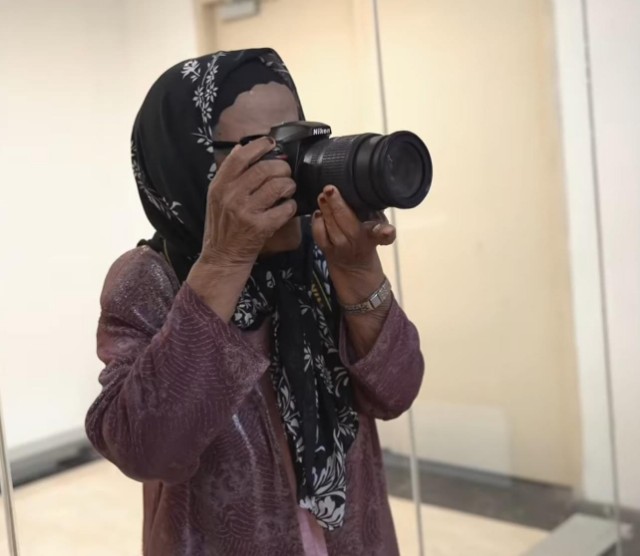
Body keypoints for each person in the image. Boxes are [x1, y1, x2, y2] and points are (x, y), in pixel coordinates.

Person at [85, 48, 424, 556]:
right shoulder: (150, 279)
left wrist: (358, 274)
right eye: (260, 150)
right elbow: (145, 449)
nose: (290, 167)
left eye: (296, 140)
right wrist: (223, 263)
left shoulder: (320, 250)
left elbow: (396, 394)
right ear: (188, 163)